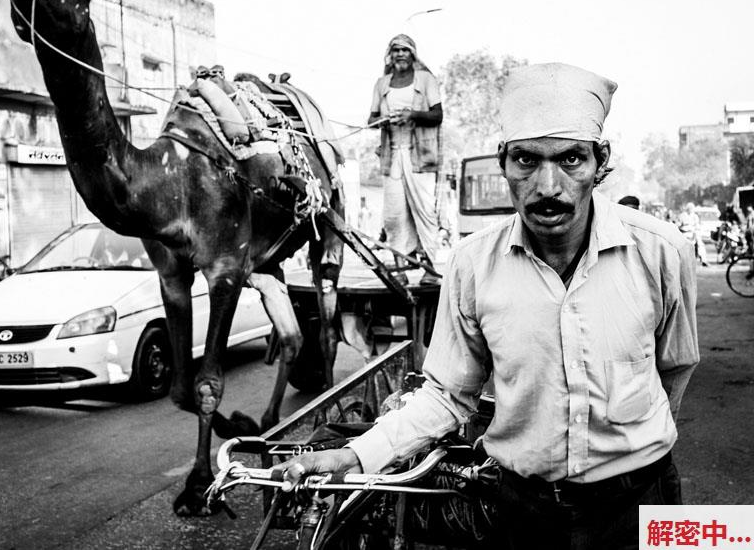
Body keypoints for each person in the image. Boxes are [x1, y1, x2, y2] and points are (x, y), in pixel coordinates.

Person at [277, 63, 700, 550]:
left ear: (599, 162)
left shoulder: (661, 251)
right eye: (526, 161)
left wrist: (627, 445)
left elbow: (675, 369)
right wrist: (355, 457)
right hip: (522, 512)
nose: (547, 185)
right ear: (503, 163)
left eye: (570, 160)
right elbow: (446, 395)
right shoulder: (472, 265)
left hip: (640, 505)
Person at [369, 34, 443, 284]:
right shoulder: (382, 84)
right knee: (393, 214)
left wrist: (412, 115)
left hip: (419, 156)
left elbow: (437, 115)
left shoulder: (425, 79)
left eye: (404, 50)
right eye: (396, 50)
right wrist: (385, 119)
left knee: (424, 211)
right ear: (390, 55)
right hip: (392, 155)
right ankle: (400, 270)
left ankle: (430, 270)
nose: (400, 54)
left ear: (412, 54)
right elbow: (371, 120)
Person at [677, 202, 709, 267]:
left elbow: (697, 226)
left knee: (700, 244)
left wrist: (695, 230)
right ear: (687, 209)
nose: (691, 210)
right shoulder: (682, 216)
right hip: (684, 233)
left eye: (692, 208)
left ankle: (704, 260)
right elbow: (678, 225)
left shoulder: (695, 216)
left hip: (693, 233)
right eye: (689, 208)